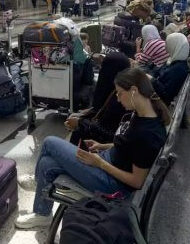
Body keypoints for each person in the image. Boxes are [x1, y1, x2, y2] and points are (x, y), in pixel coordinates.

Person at [15, 67, 169, 229]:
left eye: (119, 93)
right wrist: (103, 146)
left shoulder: (147, 134)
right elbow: (128, 147)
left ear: (134, 91)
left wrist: (99, 163)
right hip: (108, 164)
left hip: (113, 185)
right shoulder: (143, 113)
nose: (117, 98)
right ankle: (43, 214)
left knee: (49, 142)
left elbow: (136, 182)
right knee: (47, 164)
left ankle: (39, 182)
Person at [149, 33, 190, 106]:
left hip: (159, 102)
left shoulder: (178, 69)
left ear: (174, 46)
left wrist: (151, 79)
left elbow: (166, 94)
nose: (165, 46)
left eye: (167, 44)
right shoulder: (175, 61)